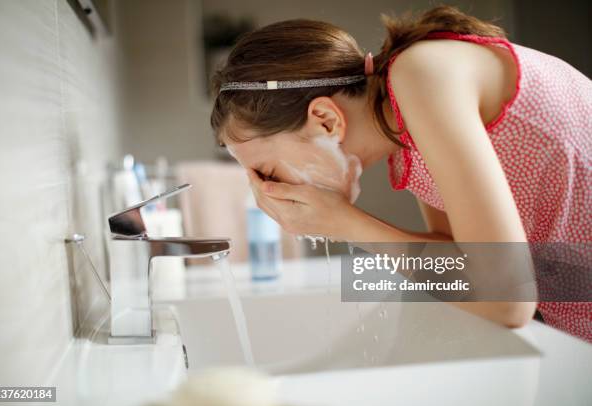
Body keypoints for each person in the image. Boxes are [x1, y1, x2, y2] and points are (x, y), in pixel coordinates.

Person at [210, 6, 591, 341]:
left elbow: (506, 300)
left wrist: (349, 225)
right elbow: (460, 272)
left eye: (264, 170)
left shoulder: (423, 76)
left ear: (325, 121)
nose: (265, 191)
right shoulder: (403, 140)